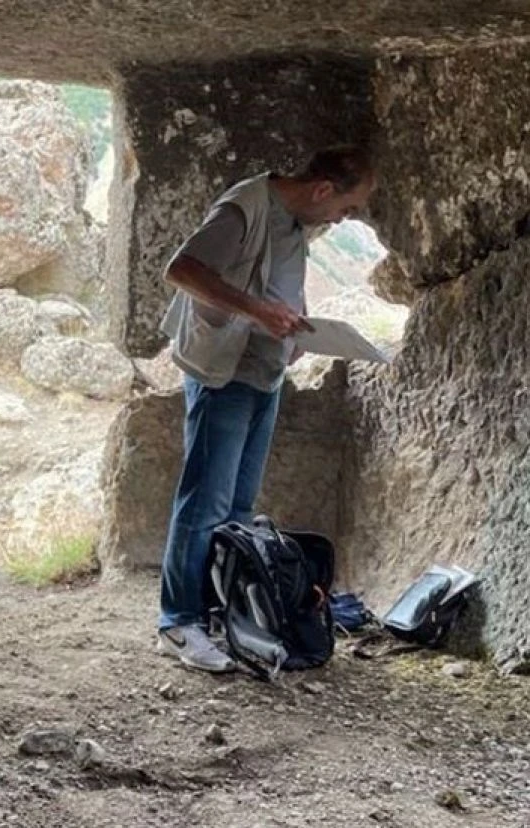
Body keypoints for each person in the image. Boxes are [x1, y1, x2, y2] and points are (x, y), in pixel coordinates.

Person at [155, 146, 376, 673]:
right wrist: (257, 311)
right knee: (205, 502)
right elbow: (181, 269)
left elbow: (276, 281)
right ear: (323, 189)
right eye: (346, 207)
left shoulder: (298, 223)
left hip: (263, 373)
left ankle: (220, 614)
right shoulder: (245, 207)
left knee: (237, 507)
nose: (343, 218)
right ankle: (178, 624)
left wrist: (295, 326)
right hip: (223, 373)